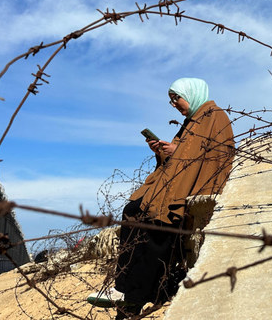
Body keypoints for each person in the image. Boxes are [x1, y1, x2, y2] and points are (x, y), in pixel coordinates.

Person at [88, 78, 234, 318]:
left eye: (177, 98)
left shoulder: (214, 117)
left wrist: (177, 152)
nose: (174, 104)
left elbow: (213, 157)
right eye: (171, 100)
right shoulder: (191, 122)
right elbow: (180, 159)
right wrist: (162, 152)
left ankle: (132, 295)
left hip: (192, 187)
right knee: (133, 210)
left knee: (156, 225)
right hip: (175, 183)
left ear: (192, 93)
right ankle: (122, 288)